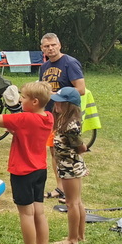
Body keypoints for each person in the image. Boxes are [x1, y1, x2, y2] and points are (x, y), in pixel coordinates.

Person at [0, 81, 54, 244]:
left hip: (23, 171)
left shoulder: (25, 118)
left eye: (24, 97)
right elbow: (26, 131)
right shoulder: (48, 117)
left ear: (34, 102)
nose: (20, 99)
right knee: (39, 213)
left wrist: (13, 108)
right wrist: (17, 126)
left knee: (26, 214)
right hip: (40, 170)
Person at [38, 33, 86, 200]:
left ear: (59, 45)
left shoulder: (70, 63)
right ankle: (61, 188)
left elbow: (80, 89)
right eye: (46, 46)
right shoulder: (44, 67)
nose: (50, 48)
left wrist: (55, 94)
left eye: (53, 45)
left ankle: (72, 191)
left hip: (67, 115)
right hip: (51, 114)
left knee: (69, 151)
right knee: (54, 150)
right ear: (42, 49)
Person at [49, 87, 88, 244]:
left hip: (69, 167)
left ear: (70, 105)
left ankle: (72, 240)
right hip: (68, 165)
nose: (56, 105)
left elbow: (81, 147)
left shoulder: (70, 126)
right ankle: (80, 236)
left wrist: (79, 160)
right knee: (77, 202)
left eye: (61, 102)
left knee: (71, 203)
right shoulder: (64, 121)